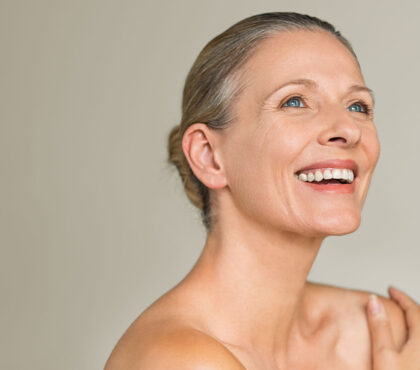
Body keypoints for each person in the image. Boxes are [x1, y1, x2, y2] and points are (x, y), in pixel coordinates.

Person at [104, 12, 420, 369]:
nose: (348, 129)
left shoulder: (383, 334)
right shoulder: (177, 360)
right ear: (208, 156)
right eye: (295, 101)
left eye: (358, 106)